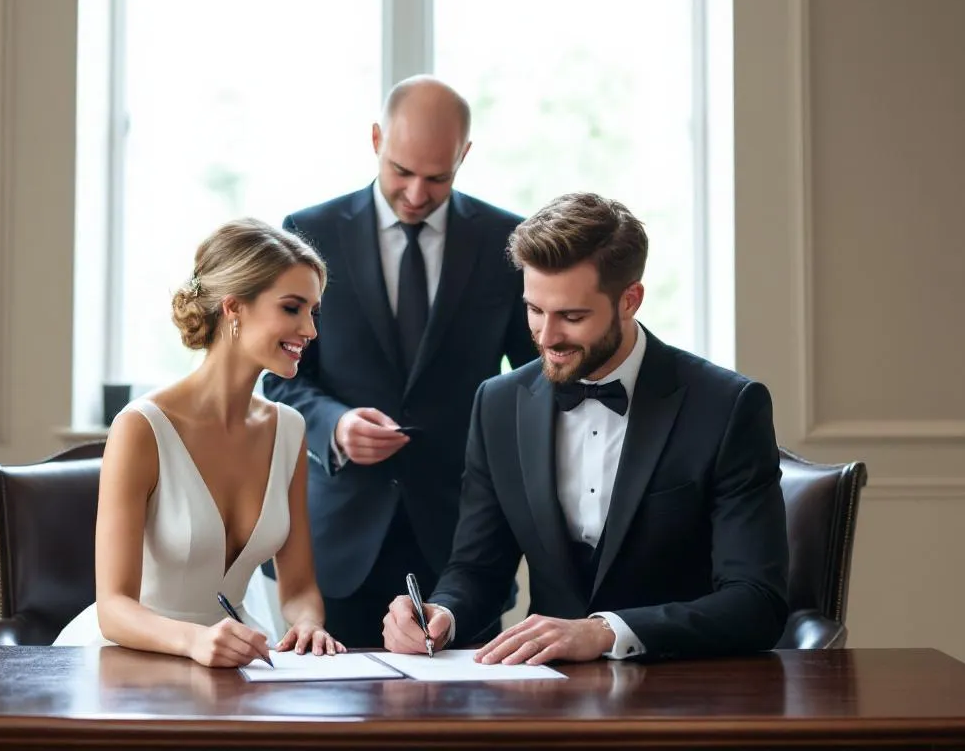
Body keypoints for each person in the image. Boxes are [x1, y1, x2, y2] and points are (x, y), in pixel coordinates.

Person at [382, 192, 789, 663]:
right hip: (547, 694)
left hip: (685, 689)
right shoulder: (497, 403)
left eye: (572, 317)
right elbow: (478, 568)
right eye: (534, 310)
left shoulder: (727, 406)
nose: (547, 337)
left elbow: (756, 602)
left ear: (629, 300)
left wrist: (606, 633)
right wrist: (442, 615)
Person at [261, 75, 537, 648]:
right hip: (337, 541)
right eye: (401, 171)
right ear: (375, 140)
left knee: (465, 728)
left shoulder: (506, 240)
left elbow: (538, 378)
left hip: (464, 542)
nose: (415, 193)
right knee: (333, 727)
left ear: (464, 154)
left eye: (438, 177)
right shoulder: (308, 231)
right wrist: (333, 425)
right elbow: (281, 376)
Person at [53, 218, 347, 666]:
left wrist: (307, 622)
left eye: (314, 312)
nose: (310, 330)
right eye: (292, 308)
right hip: (128, 658)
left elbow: (299, 588)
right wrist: (195, 640)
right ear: (234, 308)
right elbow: (113, 609)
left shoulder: (288, 429)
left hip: (235, 659)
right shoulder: (141, 427)